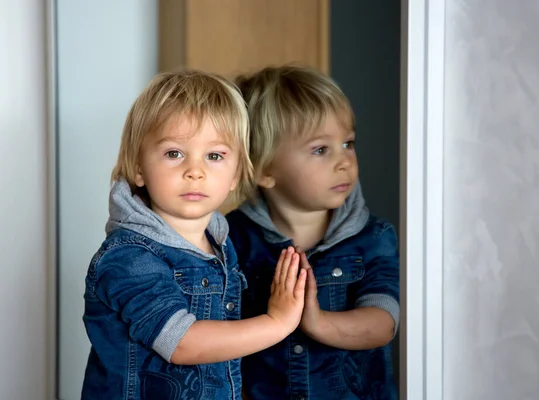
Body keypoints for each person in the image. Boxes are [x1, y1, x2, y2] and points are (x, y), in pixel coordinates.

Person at [81, 70, 307, 400]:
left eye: (214, 156)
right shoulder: (130, 256)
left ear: (236, 175)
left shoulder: (220, 245)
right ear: (139, 168)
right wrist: (277, 322)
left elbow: (220, 359)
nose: (195, 170)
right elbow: (183, 343)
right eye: (174, 153)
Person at [227, 65, 400, 400]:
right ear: (264, 169)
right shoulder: (230, 240)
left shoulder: (373, 237)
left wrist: (317, 322)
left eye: (348, 143)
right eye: (321, 149)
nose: (344, 161)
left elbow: (383, 323)